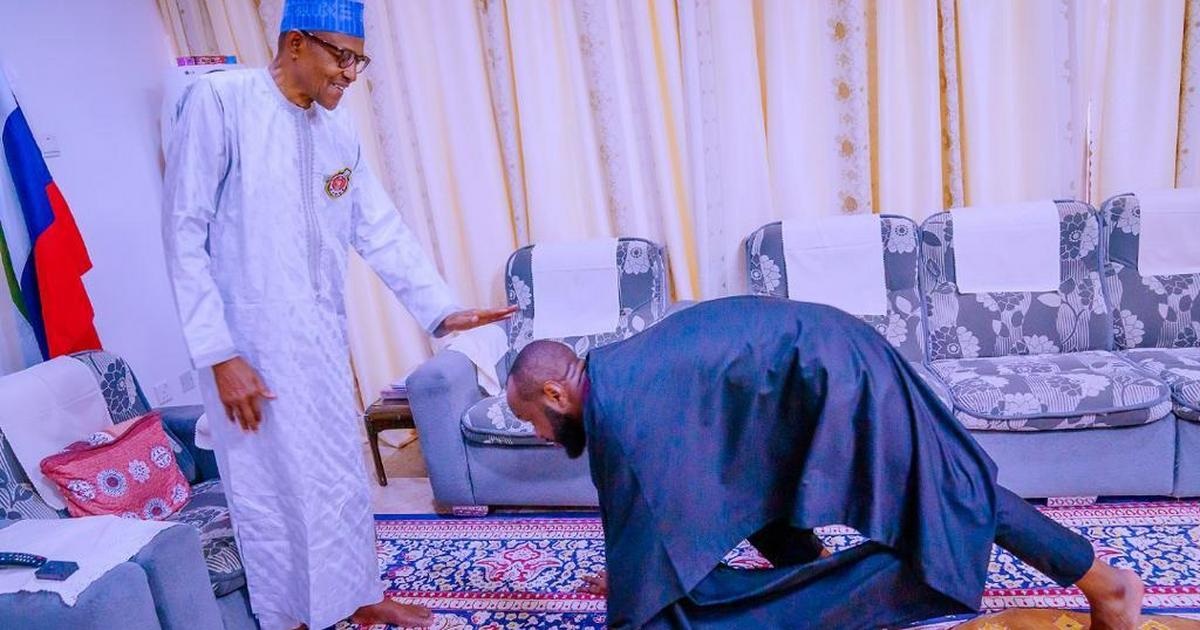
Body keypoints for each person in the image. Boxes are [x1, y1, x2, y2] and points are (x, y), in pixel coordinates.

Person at [161, 1, 513, 627]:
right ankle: (291, 616)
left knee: (338, 477)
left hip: (320, 337)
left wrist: (443, 310)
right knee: (272, 488)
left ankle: (359, 596)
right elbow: (183, 232)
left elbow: (378, 228)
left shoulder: (336, 130)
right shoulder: (221, 103)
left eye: (359, 61)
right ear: (295, 43)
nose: (351, 73)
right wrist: (218, 353)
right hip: (249, 347)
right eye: (342, 57)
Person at [505, 296, 1144, 630]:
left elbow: (640, 512)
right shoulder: (617, 381)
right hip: (800, 374)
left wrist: (636, 592)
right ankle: (811, 573)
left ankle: (1107, 584)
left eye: (531, 418)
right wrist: (635, 573)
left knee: (953, 491)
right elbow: (683, 491)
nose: (539, 434)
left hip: (834, 371)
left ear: (556, 393)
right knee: (749, 480)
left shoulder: (617, 406)